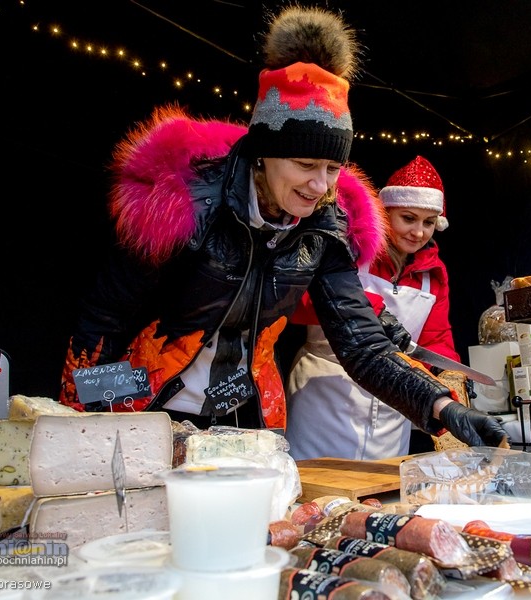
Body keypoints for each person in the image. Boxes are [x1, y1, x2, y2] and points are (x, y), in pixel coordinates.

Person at [57, 6, 508, 451]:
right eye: (306, 164)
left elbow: (362, 344)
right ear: (264, 153)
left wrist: (443, 407)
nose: (320, 186)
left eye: (333, 168)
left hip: (247, 417)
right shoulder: (185, 204)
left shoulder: (326, 228)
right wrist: (84, 424)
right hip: (149, 408)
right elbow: (104, 321)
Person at [285, 155, 463, 460]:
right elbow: (303, 302)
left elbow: (436, 340)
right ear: (385, 212)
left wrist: (446, 378)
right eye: (408, 218)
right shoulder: (350, 248)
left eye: (429, 222)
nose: (418, 232)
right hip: (324, 395)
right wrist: (375, 311)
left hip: (394, 403)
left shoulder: (433, 275)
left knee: (385, 486)